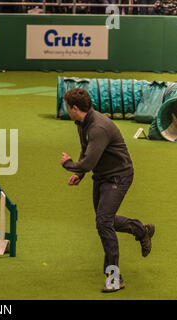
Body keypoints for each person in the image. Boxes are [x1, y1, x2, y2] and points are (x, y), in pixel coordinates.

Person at [60, 88, 155, 293]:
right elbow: (87, 152)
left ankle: (114, 277)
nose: (66, 110)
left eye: (67, 107)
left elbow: (86, 162)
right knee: (105, 220)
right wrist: (81, 174)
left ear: (75, 108)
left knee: (103, 222)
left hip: (119, 176)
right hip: (102, 176)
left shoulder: (98, 127)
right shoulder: (82, 123)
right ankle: (141, 230)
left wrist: (69, 165)